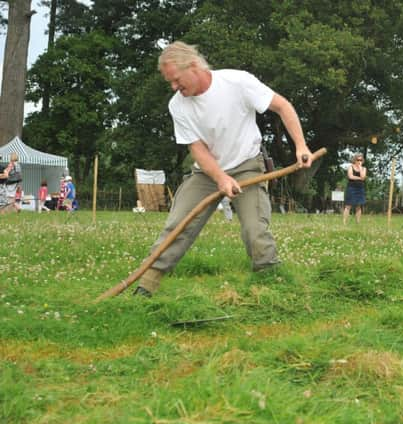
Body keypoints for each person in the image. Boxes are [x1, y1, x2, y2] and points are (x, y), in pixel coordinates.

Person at [133, 41, 313, 297]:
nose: (174, 87)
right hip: (206, 172)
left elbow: (282, 105)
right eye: (169, 83)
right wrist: (220, 178)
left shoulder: (237, 83)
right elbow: (197, 149)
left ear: (193, 66)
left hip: (247, 165)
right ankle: (146, 284)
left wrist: (301, 146)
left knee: (254, 229)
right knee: (178, 224)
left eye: (176, 80)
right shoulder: (178, 105)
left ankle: (273, 284)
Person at [342, 153, 367, 225]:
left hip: (360, 188)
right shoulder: (350, 167)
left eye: (361, 160)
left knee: (359, 206)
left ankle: (358, 223)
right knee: (348, 205)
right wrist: (360, 178)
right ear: (355, 160)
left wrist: (360, 168)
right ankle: (344, 222)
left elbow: (363, 176)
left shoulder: (364, 168)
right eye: (358, 160)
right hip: (351, 188)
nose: (359, 161)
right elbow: (350, 176)